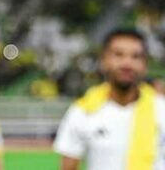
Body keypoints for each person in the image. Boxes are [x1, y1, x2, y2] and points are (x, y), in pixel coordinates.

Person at [54, 28, 165, 170]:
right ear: (103, 60)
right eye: (118, 55)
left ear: (145, 65)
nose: (127, 63)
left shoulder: (161, 109)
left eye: (136, 56)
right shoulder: (83, 111)